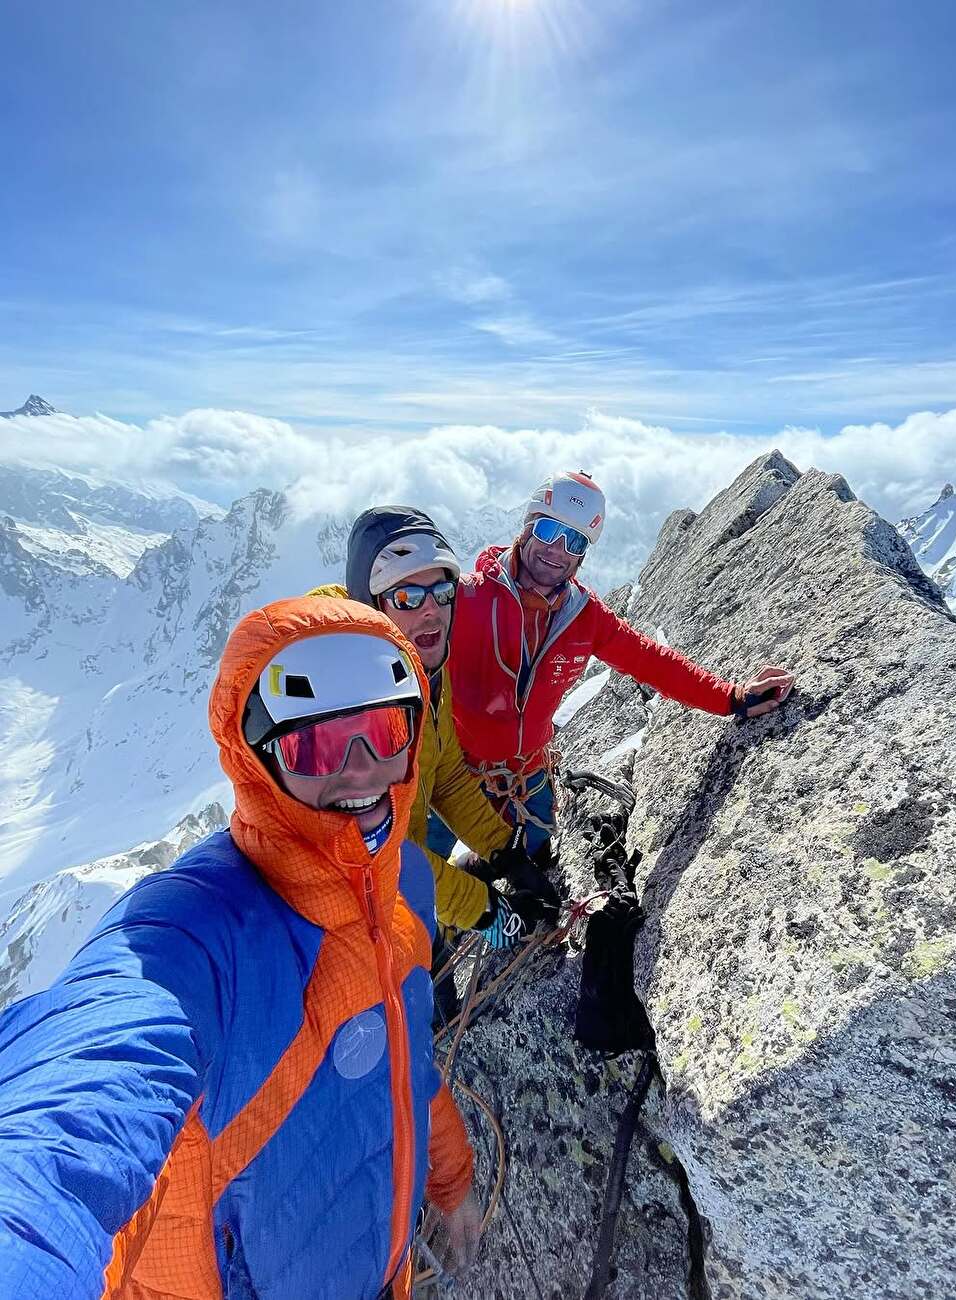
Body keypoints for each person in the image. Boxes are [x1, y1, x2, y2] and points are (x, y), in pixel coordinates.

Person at [0, 595, 480, 1299]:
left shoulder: (405, 879)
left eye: (384, 728)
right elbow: (67, 1131)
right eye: (315, 743)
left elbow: (404, 1060)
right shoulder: (192, 934)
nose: (363, 770)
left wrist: (451, 1180)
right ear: (256, 757)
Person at [448, 470, 797, 850]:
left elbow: (652, 662)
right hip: (453, 784)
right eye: (548, 531)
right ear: (528, 526)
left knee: (531, 885)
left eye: (575, 541)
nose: (557, 550)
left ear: (583, 553)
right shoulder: (466, 599)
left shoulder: (582, 616)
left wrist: (732, 697)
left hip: (527, 785)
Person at [311, 506, 559, 951]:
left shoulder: (422, 672)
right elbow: (380, 850)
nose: (431, 612)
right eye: (407, 597)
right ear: (372, 605)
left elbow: (444, 772)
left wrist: (504, 851)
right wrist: (482, 910)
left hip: (405, 906)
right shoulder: (346, 711)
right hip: (353, 927)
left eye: (442, 592)